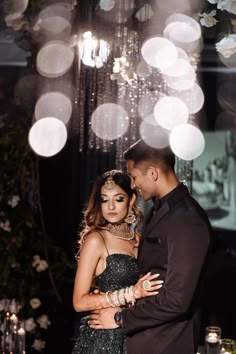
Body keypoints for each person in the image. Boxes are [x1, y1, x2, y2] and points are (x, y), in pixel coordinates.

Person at [89, 140, 213, 354]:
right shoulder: (160, 211)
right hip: (146, 339)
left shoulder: (187, 220)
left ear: (153, 173)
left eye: (134, 177)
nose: (133, 185)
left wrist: (120, 317)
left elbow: (176, 301)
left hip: (167, 342)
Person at [72, 169, 163, 354]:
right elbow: (79, 302)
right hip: (103, 339)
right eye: (105, 199)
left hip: (135, 334)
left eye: (118, 199)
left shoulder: (139, 240)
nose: (111, 206)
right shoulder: (96, 240)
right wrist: (131, 293)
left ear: (130, 201)